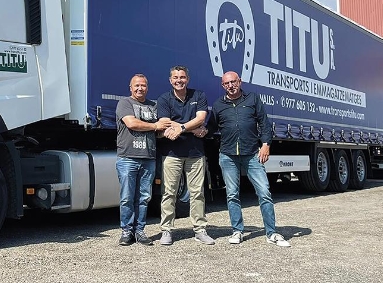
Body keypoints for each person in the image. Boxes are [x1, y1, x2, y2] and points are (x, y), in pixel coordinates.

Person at [212, 71, 291, 247]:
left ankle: (271, 232)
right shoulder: (218, 105)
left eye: (233, 82)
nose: (230, 86)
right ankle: (237, 231)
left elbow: (264, 123)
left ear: (240, 81)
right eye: (226, 83)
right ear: (222, 86)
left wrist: (266, 144)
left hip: (252, 154)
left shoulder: (253, 99)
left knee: (264, 192)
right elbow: (211, 128)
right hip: (228, 155)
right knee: (232, 194)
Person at [156, 65, 213, 245]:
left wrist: (180, 128)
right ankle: (166, 230)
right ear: (170, 80)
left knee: (197, 193)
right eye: (175, 77)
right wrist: (192, 128)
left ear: (187, 79)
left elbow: (201, 119)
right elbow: (164, 123)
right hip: (171, 153)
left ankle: (200, 230)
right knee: (168, 192)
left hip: (195, 154)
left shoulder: (198, 95)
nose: (179, 80)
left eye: (182, 77)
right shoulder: (164, 99)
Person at [115, 73, 165, 246]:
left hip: (148, 158)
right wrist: (155, 126)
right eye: (136, 85)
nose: (139, 88)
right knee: (127, 197)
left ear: (147, 87)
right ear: (130, 88)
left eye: (143, 85)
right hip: (128, 157)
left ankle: (140, 231)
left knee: (144, 197)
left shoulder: (154, 106)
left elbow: (162, 128)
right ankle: (126, 231)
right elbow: (132, 123)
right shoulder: (125, 103)